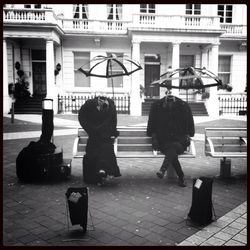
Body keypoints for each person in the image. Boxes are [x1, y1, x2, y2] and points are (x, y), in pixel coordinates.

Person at [147, 89, 195, 187]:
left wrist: (189, 134)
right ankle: (181, 176)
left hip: (180, 142)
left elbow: (190, 127)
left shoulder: (184, 106)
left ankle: (163, 170)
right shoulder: (157, 106)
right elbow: (150, 127)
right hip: (164, 142)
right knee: (172, 149)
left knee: (173, 147)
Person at [78, 96, 121, 185]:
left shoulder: (111, 105)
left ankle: (103, 171)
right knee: (96, 150)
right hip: (94, 134)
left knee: (105, 148)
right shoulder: (90, 104)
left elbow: (113, 120)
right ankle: (99, 173)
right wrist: (90, 129)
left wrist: (112, 131)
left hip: (105, 135)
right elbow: (82, 117)